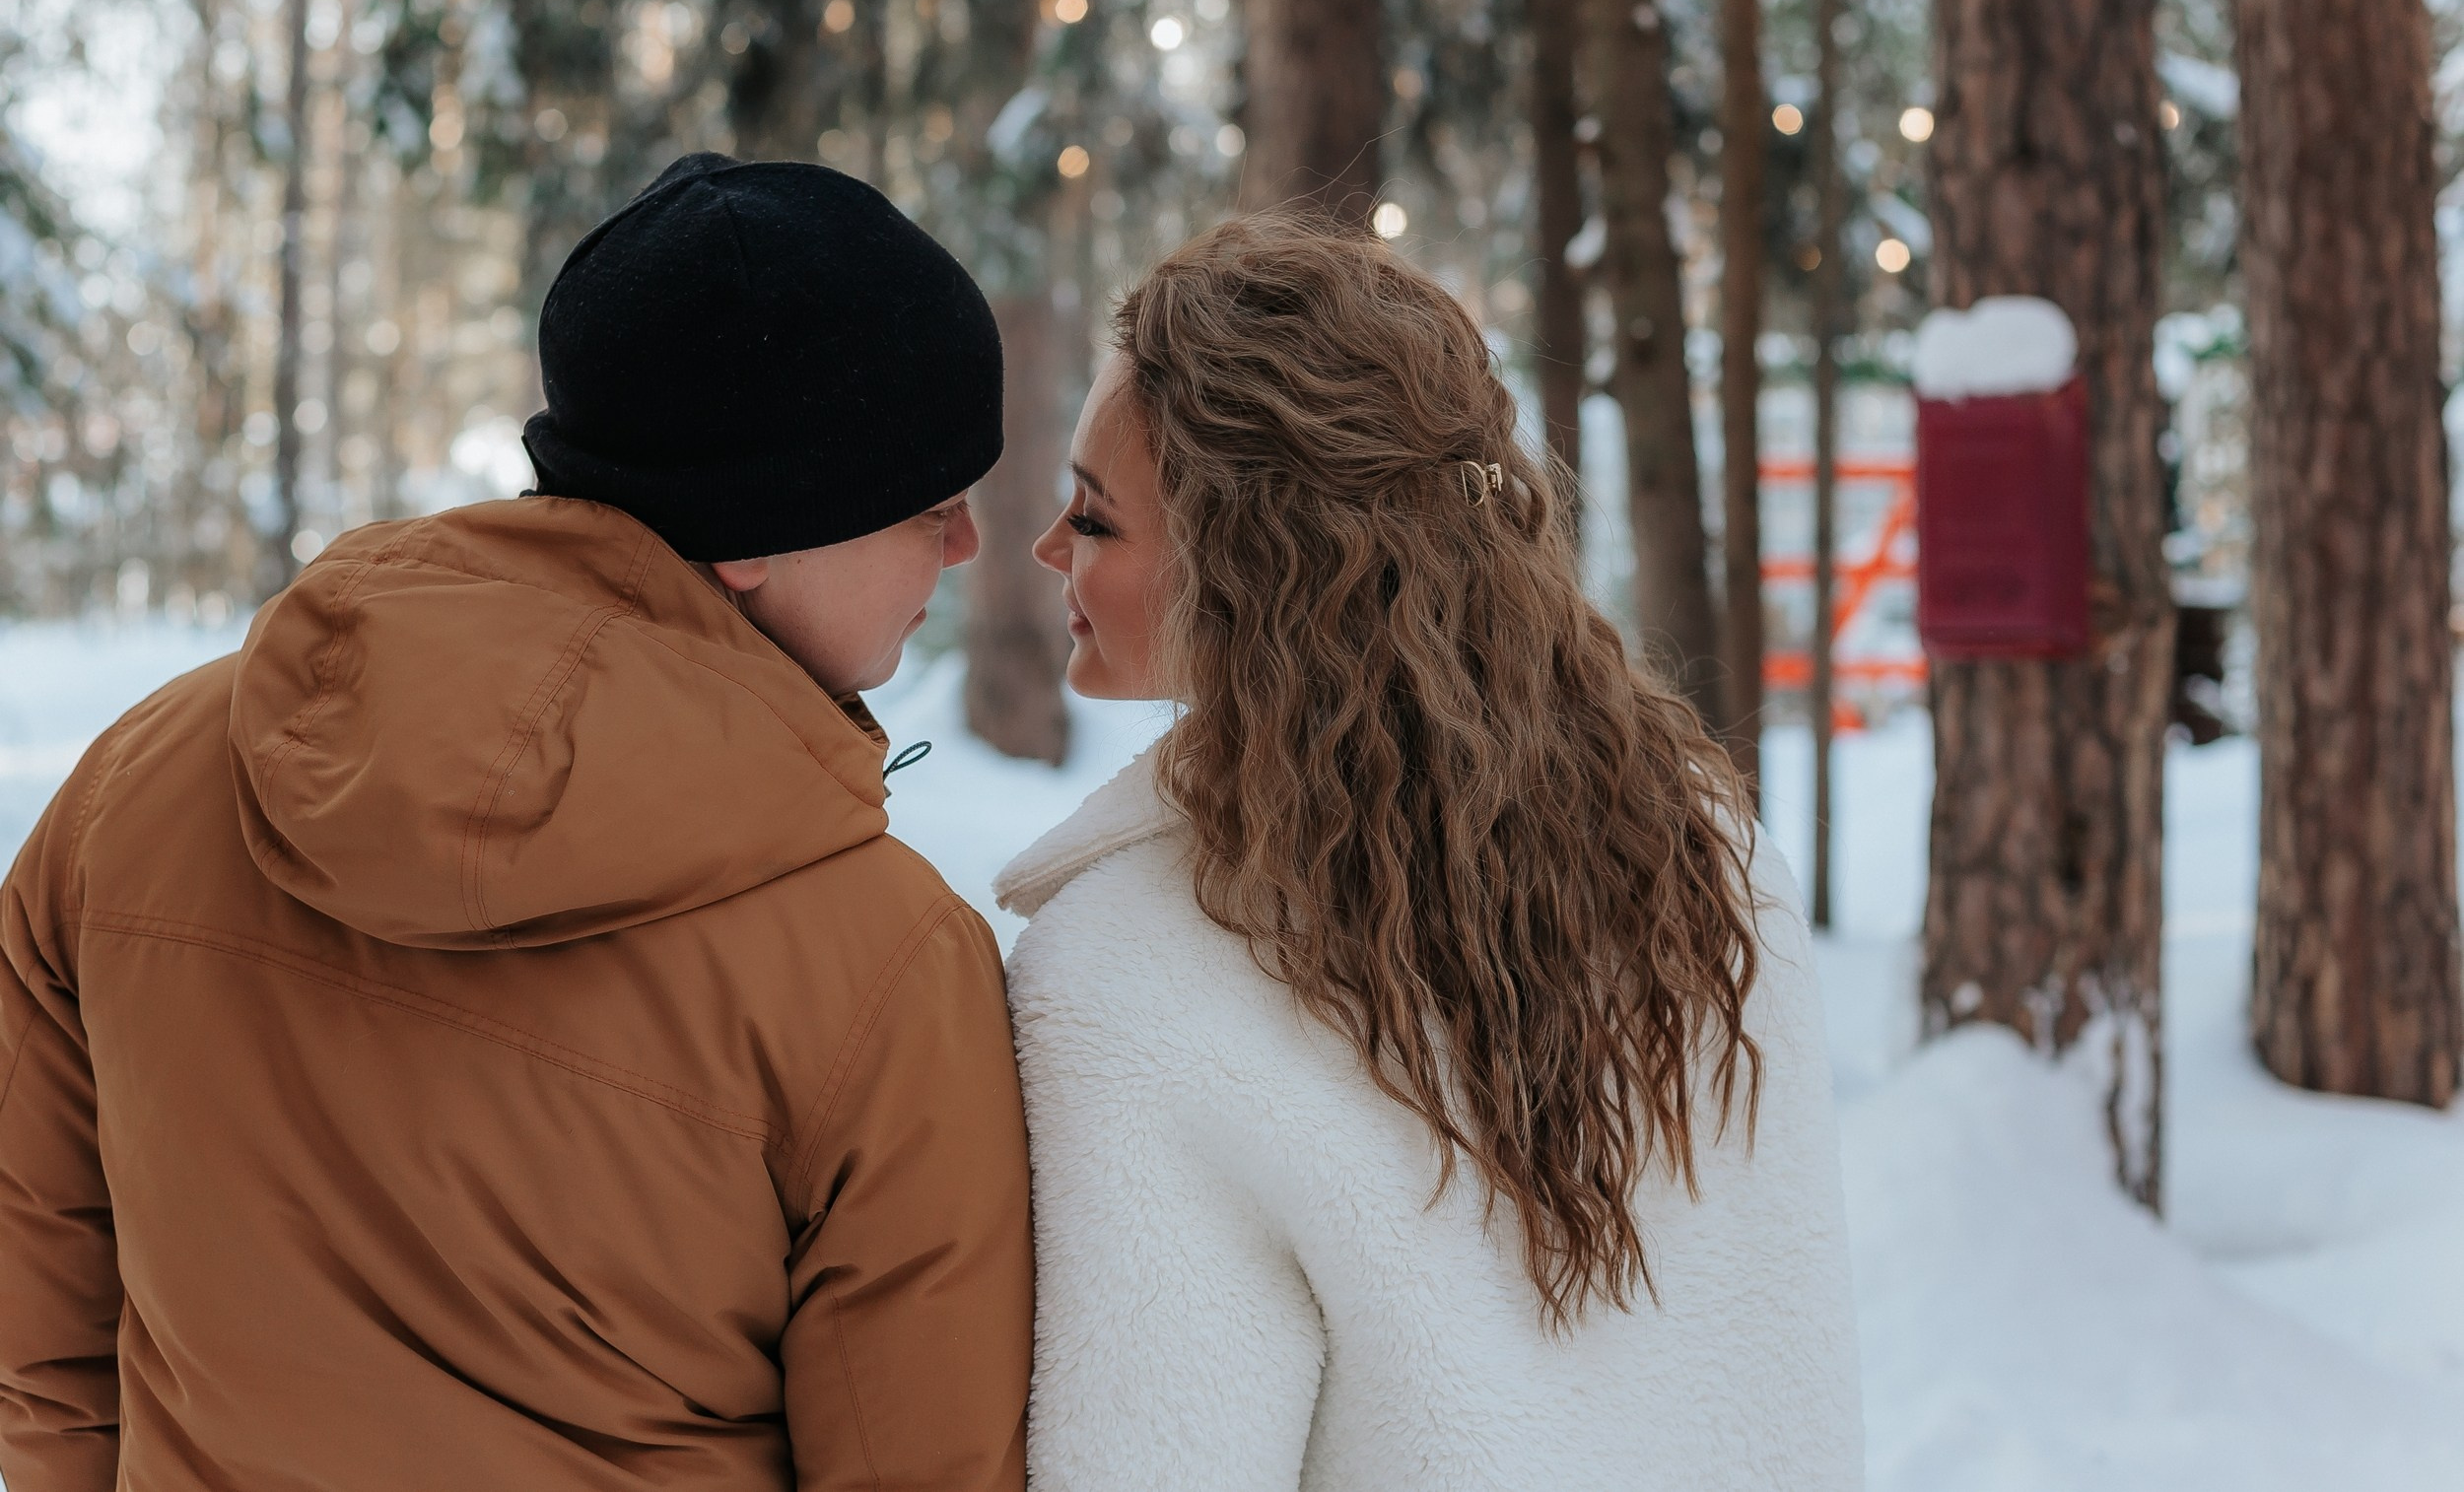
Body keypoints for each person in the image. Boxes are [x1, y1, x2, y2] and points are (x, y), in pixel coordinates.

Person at [0, 153, 1032, 1490]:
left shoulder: (138, 782)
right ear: (755, 533)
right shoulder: (885, 963)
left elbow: (43, 1352)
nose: (963, 551)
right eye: (927, 504)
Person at [997, 214, 1864, 1490]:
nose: (1048, 552)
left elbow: (1148, 1457)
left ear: (1252, 562)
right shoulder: (1701, 857)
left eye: (1098, 518)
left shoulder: (1139, 970)